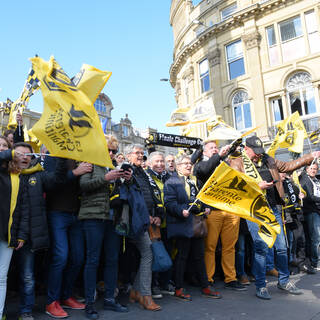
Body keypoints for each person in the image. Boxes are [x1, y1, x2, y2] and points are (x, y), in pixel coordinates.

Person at [229, 135, 320, 299]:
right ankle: (261, 285)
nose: (258, 154)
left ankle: (284, 281)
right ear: (246, 149)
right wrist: (258, 186)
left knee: (281, 247)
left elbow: (287, 165)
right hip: (255, 210)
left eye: (259, 151)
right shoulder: (237, 162)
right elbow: (237, 186)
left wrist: (309, 157)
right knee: (261, 248)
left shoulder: (268, 159)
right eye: (254, 151)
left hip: (274, 208)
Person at [11, 142, 68, 320]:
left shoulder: (38, 175)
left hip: (28, 235)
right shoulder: (7, 175)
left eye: (28, 154)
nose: (24, 157)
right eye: (19, 154)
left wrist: (60, 157)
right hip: (7, 233)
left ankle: (25, 311)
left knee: (28, 276)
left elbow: (57, 179)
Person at [79, 135, 130, 319]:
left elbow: (121, 193)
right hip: (93, 217)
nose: (111, 153)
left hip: (112, 218)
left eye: (114, 151)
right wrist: (105, 178)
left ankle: (109, 299)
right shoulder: (90, 162)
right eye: (107, 149)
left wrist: (126, 180)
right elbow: (83, 186)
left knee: (112, 259)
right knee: (92, 260)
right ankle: (89, 304)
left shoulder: (114, 166)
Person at [164, 154, 221, 301]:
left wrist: (206, 208)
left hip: (197, 224)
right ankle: (178, 289)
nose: (188, 166)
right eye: (184, 164)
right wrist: (180, 210)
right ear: (178, 167)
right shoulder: (172, 182)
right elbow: (169, 203)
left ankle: (205, 286)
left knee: (199, 257)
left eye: (190, 163)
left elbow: (202, 199)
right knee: (182, 257)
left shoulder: (194, 181)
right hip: (182, 224)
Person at [193, 140, 246, 291]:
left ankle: (231, 278)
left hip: (230, 210)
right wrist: (219, 156)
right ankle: (208, 278)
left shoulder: (226, 164)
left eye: (216, 147)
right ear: (204, 152)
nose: (215, 150)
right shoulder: (200, 165)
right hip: (212, 212)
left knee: (230, 247)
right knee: (210, 247)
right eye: (211, 148)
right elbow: (205, 170)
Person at [44, 155, 92, 318]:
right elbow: (50, 184)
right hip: (57, 213)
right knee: (60, 257)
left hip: (75, 214)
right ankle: (52, 301)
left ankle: (65, 296)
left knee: (78, 258)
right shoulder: (52, 155)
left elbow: (79, 188)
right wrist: (76, 172)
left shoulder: (78, 156)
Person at [125, 144, 161, 311]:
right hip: (134, 220)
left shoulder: (142, 172)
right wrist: (144, 214)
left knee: (147, 254)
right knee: (147, 253)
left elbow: (149, 195)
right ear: (127, 156)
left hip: (146, 219)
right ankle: (145, 296)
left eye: (142, 153)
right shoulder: (127, 171)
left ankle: (135, 291)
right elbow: (131, 198)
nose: (141, 156)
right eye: (137, 153)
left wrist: (154, 214)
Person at [0, 137, 28, 320]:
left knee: (1, 278)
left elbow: (23, 208)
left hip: (7, 233)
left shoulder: (17, 176)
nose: (1, 148)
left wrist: (21, 235)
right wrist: (8, 152)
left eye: (4, 145)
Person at [145, 151, 174, 298]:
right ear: (149, 163)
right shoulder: (146, 177)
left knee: (167, 253)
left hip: (169, 222)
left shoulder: (170, 177)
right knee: (154, 254)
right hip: (154, 221)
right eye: (156, 161)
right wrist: (155, 215)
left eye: (162, 161)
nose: (160, 164)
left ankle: (165, 282)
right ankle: (153, 285)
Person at [280, 172, 315, 274]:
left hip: (295, 213)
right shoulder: (277, 182)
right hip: (284, 215)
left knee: (301, 240)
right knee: (287, 243)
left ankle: (301, 264)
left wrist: (302, 194)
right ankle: (286, 267)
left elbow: (299, 191)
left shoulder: (291, 180)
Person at [299, 163, 320, 270]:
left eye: (315, 169)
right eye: (311, 168)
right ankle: (314, 262)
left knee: (315, 238)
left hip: (317, 210)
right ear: (307, 169)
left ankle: (314, 261)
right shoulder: (304, 179)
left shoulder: (316, 180)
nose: (313, 170)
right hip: (311, 211)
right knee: (315, 238)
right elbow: (309, 196)